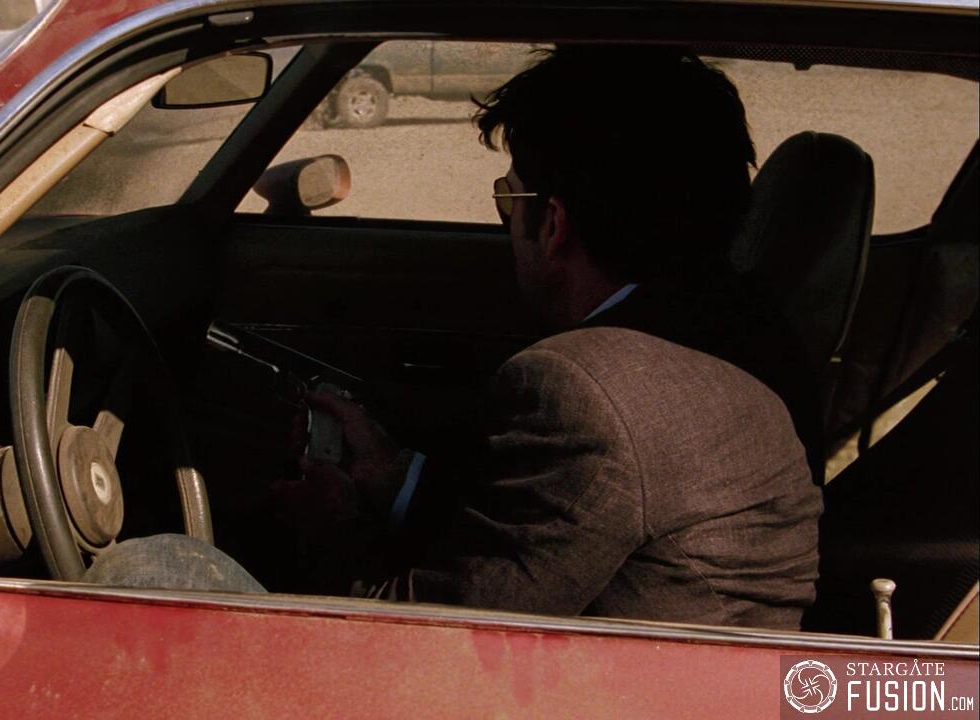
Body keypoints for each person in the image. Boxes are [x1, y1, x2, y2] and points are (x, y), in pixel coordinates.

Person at [278, 46, 823, 630]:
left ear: (554, 224)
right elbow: (549, 526)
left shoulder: (585, 389)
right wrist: (393, 475)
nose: (507, 222)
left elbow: (443, 634)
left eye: (507, 199)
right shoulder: (750, 332)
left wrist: (331, 527)